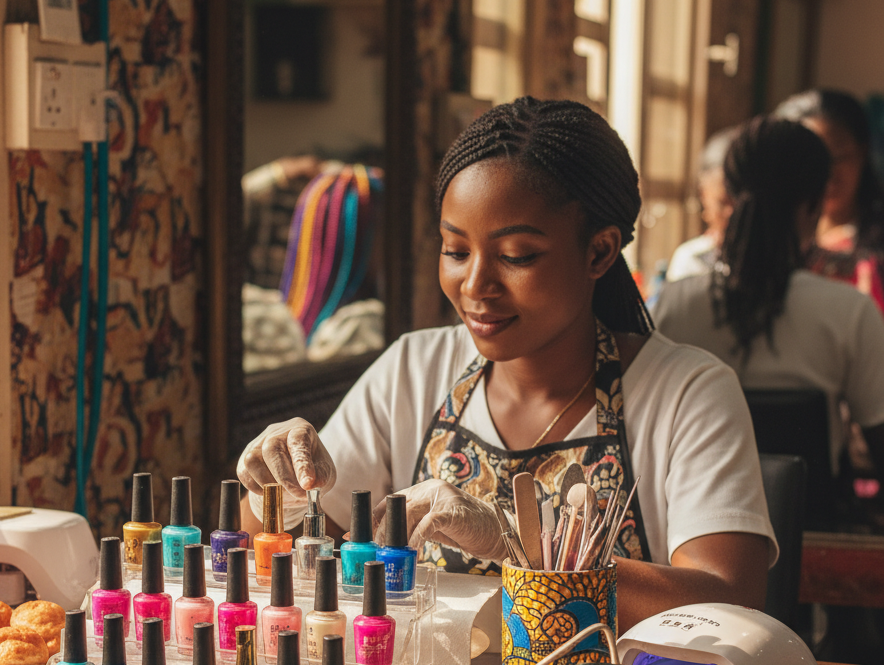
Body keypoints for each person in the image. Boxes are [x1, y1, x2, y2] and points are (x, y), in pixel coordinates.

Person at [236, 97, 775, 630]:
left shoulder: (686, 392)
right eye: (456, 250)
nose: (475, 286)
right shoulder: (415, 370)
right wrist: (276, 486)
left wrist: (511, 539)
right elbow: (292, 537)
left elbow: (732, 602)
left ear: (600, 253)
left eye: (516, 256)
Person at [653, 116, 884, 479]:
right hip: (808, 526)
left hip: (690, 524)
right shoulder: (849, 312)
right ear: (814, 202)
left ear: (729, 192)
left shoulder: (675, 304)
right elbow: (878, 439)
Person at [775, 88, 884, 312]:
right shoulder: (774, 239)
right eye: (813, 162)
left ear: (862, 154)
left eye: (839, 158)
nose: (827, 174)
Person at [665, 125, 740, 283]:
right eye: (723, 203)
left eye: (739, 203)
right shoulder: (692, 260)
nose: (732, 212)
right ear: (704, 196)